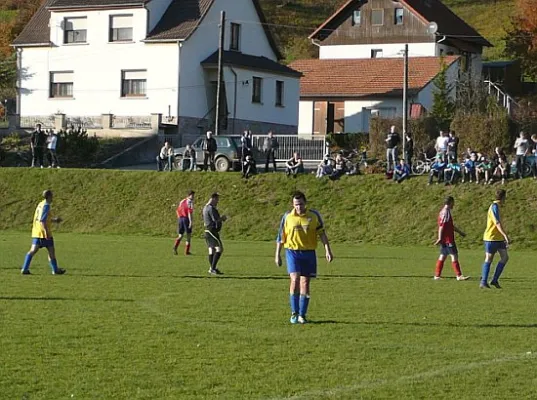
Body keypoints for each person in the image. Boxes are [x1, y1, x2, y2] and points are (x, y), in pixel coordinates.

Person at [275, 191, 334, 324]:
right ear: (292, 204)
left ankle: (302, 314)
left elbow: (322, 234)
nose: (298, 207)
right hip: (292, 252)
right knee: (295, 279)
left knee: (305, 283)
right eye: (296, 204)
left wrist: (327, 250)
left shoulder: (313, 216)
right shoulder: (287, 217)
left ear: (305, 203)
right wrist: (277, 254)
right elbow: (281, 237)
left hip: (308, 253)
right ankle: (294, 312)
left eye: (301, 204)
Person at [20, 190, 66, 275]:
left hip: (36, 231)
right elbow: (42, 221)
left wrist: (54, 220)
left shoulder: (40, 204)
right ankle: (55, 270)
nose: (53, 197)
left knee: (33, 250)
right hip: (43, 232)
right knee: (51, 250)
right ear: (49, 196)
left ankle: (25, 268)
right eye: (52, 196)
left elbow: (42, 218)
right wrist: (46, 233)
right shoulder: (46, 206)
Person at [433, 196, 469, 281]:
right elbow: (442, 226)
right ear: (450, 202)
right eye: (453, 203)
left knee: (442, 256)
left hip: (445, 239)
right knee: (454, 255)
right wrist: (439, 238)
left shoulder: (443, 211)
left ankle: (437, 276)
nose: (454, 204)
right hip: (448, 239)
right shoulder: (446, 212)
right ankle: (459, 276)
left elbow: (450, 226)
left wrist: (460, 232)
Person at [481, 189, 510, 289]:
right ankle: (483, 282)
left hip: (498, 238)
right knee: (489, 258)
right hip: (491, 238)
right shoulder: (494, 207)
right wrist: (505, 235)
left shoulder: (498, 206)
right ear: (503, 197)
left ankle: (494, 280)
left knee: (505, 257)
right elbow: (497, 223)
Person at [202, 193, 227, 275]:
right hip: (211, 230)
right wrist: (222, 218)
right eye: (217, 200)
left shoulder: (205, 207)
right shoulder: (211, 208)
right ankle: (212, 268)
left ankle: (212, 268)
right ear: (213, 199)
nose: (217, 202)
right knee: (220, 248)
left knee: (211, 250)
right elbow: (215, 220)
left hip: (206, 230)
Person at [173, 191, 195, 256]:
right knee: (188, 236)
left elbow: (177, 210)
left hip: (180, 219)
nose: (193, 197)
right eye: (192, 195)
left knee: (180, 235)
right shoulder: (190, 202)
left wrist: (179, 218)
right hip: (186, 219)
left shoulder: (182, 201)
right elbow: (189, 212)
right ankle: (187, 252)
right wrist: (191, 222)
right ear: (189, 195)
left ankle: (175, 247)